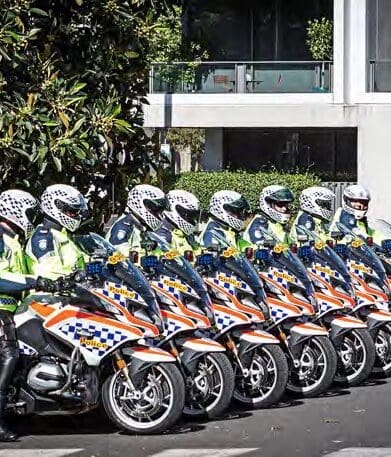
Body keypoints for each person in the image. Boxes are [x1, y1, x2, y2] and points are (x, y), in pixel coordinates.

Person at [0, 190, 54, 442]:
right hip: (1, 309)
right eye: (29, 212)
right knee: (9, 355)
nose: (31, 218)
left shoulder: (14, 239)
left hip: (15, 310)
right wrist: (34, 281)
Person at [26, 184, 88, 279]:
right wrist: (78, 276)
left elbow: (82, 260)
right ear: (56, 207)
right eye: (72, 211)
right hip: (51, 293)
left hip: (73, 290)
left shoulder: (61, 233)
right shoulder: (43, 238)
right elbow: (51, 274)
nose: (76, 215)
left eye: (76, 212)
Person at [106, 184, 168, 257]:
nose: (159, 215)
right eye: (156, 210)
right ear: (141, 205)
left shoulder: (142, 226)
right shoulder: (123, 226)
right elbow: (120, 254)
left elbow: (154, 250)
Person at [156, 189, 201, 256]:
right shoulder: (162, 234)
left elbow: (198, 252)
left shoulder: (187, 234)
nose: (193, 220)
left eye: (194, 216)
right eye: (189, 215)